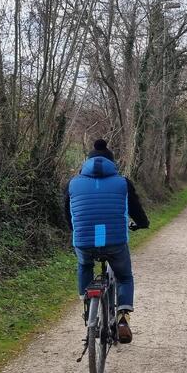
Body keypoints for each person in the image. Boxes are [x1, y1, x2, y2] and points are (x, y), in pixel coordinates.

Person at [64, 139, 149, 343]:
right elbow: (136, 209)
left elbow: (69, 214)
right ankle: (122, 319)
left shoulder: (73, 183)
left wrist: (75, 232)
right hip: (115, 241)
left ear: (86, 163)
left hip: (84, 240)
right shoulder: (122, 182)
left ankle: (87, 306)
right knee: (124, 277)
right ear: (113, 163)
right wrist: (142, 223)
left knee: (84, 265)